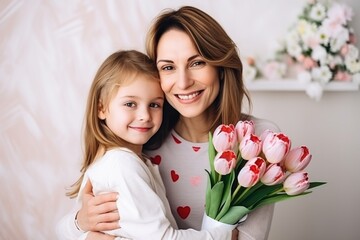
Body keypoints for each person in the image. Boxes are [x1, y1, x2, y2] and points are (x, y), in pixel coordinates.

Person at [57, 6, 279, 240]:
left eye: (197, 63)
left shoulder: (258, 140)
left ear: (220, 67)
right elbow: (65, 230)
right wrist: (79, 224)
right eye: (168, 67)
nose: (183, 82)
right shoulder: (143, 140)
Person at [57, 49, 235, 240]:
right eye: (130, 104)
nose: (145, 116)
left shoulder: (122, 161)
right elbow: (163, 238)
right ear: (101, 107)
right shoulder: (122, 165)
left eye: (154, 105)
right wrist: (222, 236)